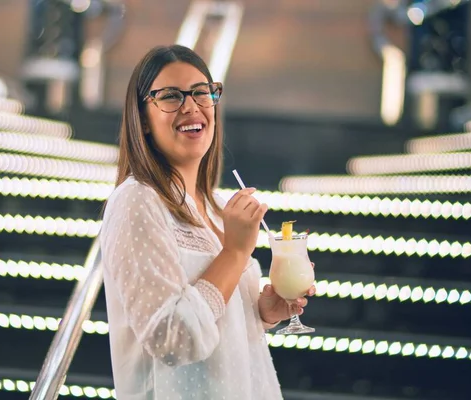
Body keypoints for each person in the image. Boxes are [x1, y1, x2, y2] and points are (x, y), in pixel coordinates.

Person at [99, 44, 316, 400]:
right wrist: (234, 252)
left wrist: (263, 311)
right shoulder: (137, 201)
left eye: (202, 93)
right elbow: (172, 340)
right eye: (170, 96)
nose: (191, 106)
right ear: (143, 120)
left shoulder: (217, 205)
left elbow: (218, 315)